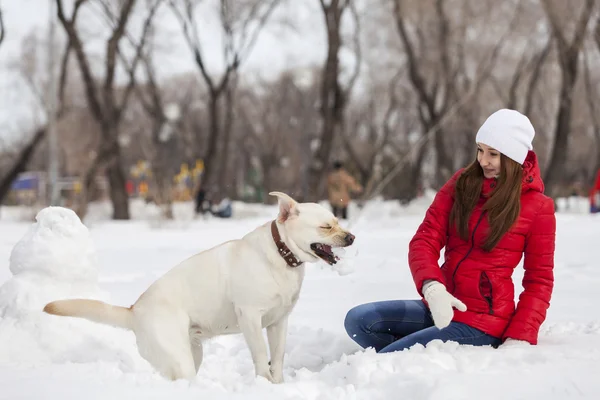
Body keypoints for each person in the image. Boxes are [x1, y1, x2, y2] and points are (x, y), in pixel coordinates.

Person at [344, 109, 556, 352]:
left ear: (514, 157)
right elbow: (425, 239)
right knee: (359, 321)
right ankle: (424, 361)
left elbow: (539, 280)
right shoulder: (462, 184)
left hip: (483, 321)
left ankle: (409, 359)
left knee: (387, 357)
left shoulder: (538, 207)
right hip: (442, 305)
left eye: (493, 154)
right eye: (480, 149)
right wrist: (432, 287)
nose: (483, 160)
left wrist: (520, 335)